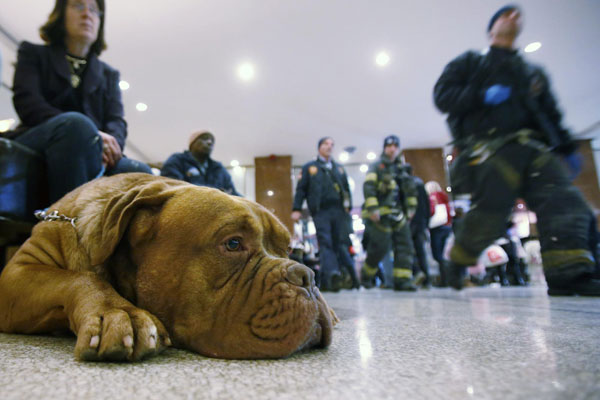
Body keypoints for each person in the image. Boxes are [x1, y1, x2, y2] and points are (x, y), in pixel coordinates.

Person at [433, 5, 599, 295]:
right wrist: (480, 94)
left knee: (566, 200)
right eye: (505, 14)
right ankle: (457, 262)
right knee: (490, 217)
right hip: (490, 150)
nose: (513, 17)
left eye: (517, 15)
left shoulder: (532, 74)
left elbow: (551, 114)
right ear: (491, 29)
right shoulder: (471, 64)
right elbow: (443, 96)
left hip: (533, 149)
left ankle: (569, 275)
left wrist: (566, 146)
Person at [9, 0, 152, 204]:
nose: (87, 14)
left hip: (94, 149)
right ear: (61, 13)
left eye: (94, 10)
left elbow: (116, 120)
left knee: (139, 172)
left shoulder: (109, 74)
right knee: (77, 126)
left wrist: (109, 145)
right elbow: (28, 103)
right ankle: (65, 228)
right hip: (41, 137)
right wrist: (90, 134)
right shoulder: (33, 53)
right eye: (78, 6)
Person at [291, 137, 353, 291]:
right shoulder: (309, 167)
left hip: (339, 211)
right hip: (321, 211)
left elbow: (346, 189)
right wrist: (296, 209)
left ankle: (334, 278)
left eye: (332, 144)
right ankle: (332, 275)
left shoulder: (338, 168)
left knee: (339, 242)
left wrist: (348, 206)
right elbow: (301, 189)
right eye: (326, 144)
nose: (329, 147)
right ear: (319, 147)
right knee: (325, 242)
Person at [361, 135, 417, 291]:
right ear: (385, 148)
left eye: (395, 146)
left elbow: (410, 190)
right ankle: (366, 276)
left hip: (400, 216)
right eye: (389, 145)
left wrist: (411, 209)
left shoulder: (403, 169)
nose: (392, 149)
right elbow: (369, 187)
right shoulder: (376, 166)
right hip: (381, 217)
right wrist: (373, 209)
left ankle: (403, 281)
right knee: (379, 248)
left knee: (405, 247)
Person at [161, 131, 240, 196]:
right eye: (204, 138)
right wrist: (216, 194)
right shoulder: (177, 160)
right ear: (192, 143)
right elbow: (171, 185)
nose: (210, 142)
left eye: (212, 141)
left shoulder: (220, 169)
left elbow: (233, 193)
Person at [404, 164, 431, 288]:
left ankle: (417, 272)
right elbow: (427, 204)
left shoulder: (405, 184)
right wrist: (426, 222)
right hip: (421, 222)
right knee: (421, 251)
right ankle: (427, 279)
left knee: (407, 250)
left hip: (409, 222)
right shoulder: (420, 184)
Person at [425, 181, 453, 287]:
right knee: (445, 254)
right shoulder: (444, 197)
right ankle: (449, 279)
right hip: (447, 227)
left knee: (438, 255)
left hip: (437, 228)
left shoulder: (433, 197)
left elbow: (432, 211)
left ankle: (444, 280)